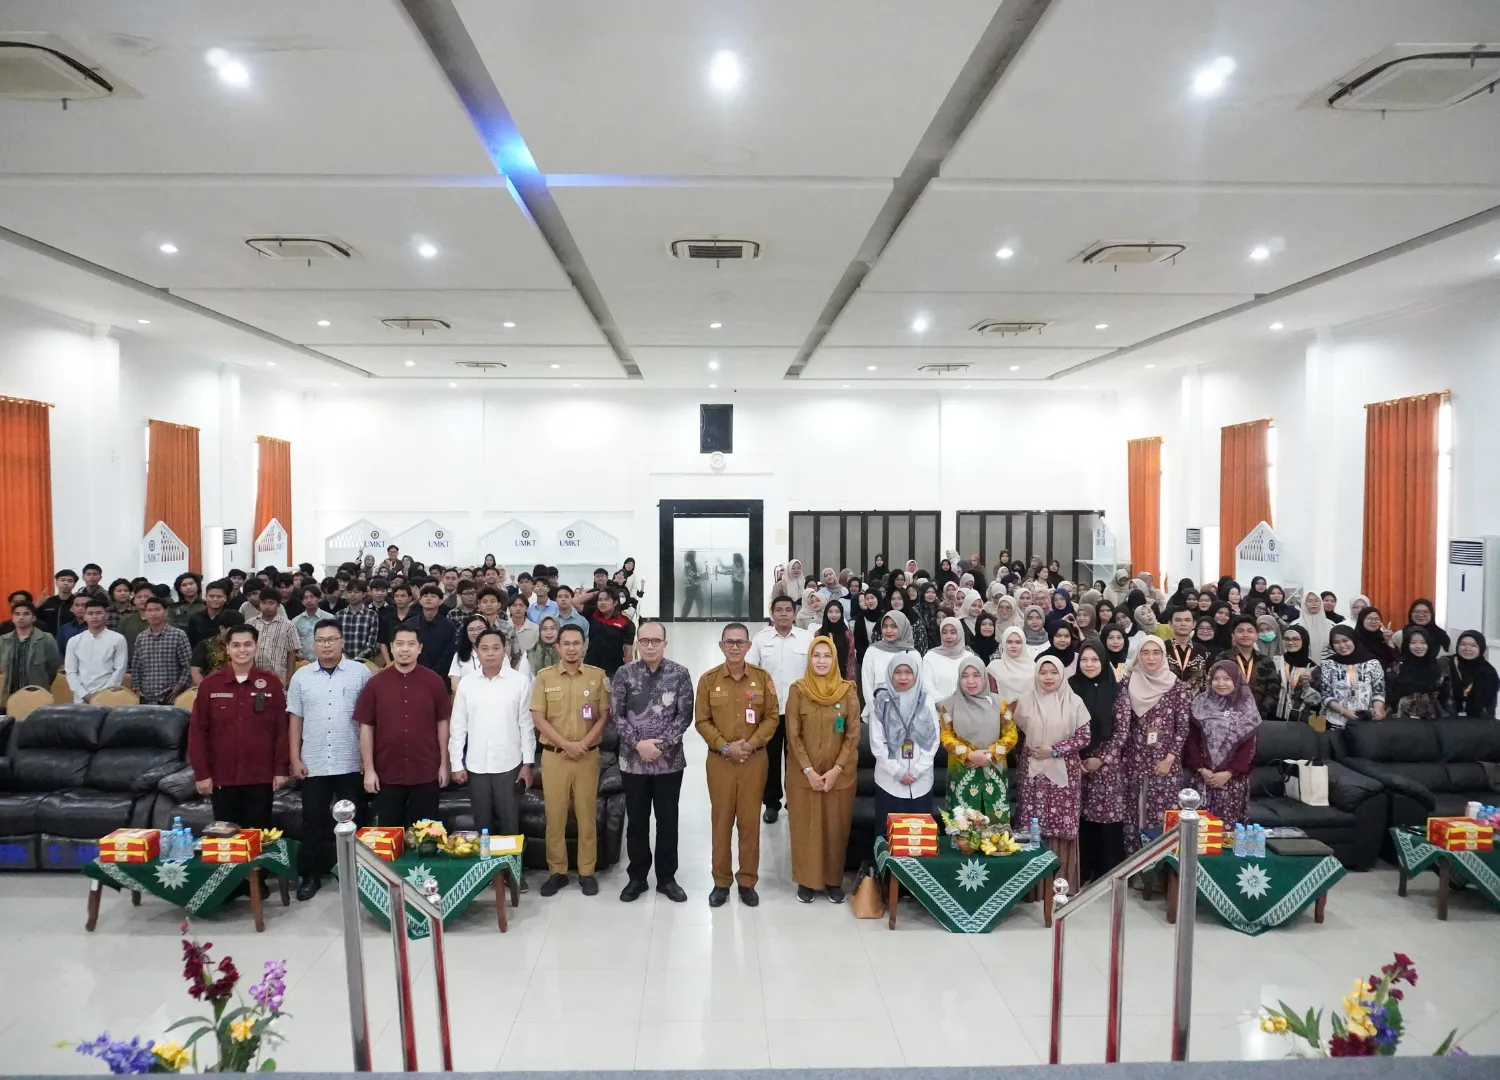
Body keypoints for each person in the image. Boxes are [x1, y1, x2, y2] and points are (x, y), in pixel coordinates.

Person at [286, 620, 372, 900]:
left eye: (331, 639)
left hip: (351, 759)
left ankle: (361, 874)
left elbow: (369, 721)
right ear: (313, 643)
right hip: (314, 760)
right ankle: (311, 875)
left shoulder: (360, 673)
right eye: (320, 640)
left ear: (342, 641)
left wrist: (368, 760)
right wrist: (294, 758)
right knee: (313, 821)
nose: (326, 645)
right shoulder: (301, 677)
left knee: (357, 819)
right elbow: (295, 721)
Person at [695, 622, 778, 907]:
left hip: (754, 761)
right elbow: (702, 721)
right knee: (721, 822)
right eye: (729, 642)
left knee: (749, 822)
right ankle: (721, 881)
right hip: (720, 762)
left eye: (739, 642)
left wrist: (750, 745)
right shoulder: (708, 680)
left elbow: (771, 717)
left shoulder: (762, 678)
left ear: (748, 646)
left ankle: (747, 881)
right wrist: (725, 746)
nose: (734, 646)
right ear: (721, 645)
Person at [611, 621, 694, 903]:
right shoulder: (624, 674)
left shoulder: (679, 674)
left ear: (664, 643)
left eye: (655, 641)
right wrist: (637, 744)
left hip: (668, 763)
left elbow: (684, 716)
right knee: (637, 821)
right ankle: (637, 878)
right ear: (637, 643)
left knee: (668, 821)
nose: (649, 646)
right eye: (644, 641)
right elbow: (617, 715)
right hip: (632, 763)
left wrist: (661, 745)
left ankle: (667, 878)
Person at [529, 625, 611, 897]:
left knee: (587, 815)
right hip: (555, 758)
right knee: (554, 816)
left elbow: (603, 716)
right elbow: (538, 718)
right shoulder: (544, 677)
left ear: (584, 646)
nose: (572, 648)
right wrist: (566, 745)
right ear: (558, 648)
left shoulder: (598, 677)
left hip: (588, 756)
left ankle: (586, 871)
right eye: (567, 644)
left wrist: (583, 744)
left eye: (577, 643)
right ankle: (558, 871)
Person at [449, 628, 535, 884]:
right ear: (476, 652)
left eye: (495, 648)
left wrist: (527, 764)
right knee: (483, 824)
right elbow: (458, 726)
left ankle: (513, 874)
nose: (490, 653)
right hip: (476, 765)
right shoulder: (467, 683)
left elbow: (526, 726)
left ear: (504, 650)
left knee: (510, 823)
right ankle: (485, 874)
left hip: (509, 763)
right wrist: (456, 762)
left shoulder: (519, 682)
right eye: (484, 649)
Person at [187, 625, 289, 829]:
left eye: (247, 644)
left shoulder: (271, 683)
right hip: (223, 776)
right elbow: (198, 732)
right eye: (236, 645)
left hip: (260, 776)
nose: (242, 650)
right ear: (227, 649)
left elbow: (281, 730)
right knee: (227, 841)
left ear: (256, 647)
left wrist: (281, 770)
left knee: (259, 838)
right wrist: (202, 774)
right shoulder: (210, 685)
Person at [782, 636, 860, 904]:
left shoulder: (847, 691)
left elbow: (852, 735)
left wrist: (837, 768)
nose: (822, 661)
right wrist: (809, 771)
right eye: (817, 656)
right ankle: (807, 880)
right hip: (804, 776)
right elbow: (793, 736)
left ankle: (832, 880)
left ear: (835, 659)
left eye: (827, 656)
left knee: (835, 828)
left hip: (839, 775)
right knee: (806, 827)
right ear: (809, 659)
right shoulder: (798, 691)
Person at [356, 625, 451, 829]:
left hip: (426, 770)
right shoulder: (375, 683)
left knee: (427, 836)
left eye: (410, 644)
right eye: (399, 644)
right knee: (390, 835)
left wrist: (444, 764)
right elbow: (366, 727)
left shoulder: (434, 681)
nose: (405, 649)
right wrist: (369, 769)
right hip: (387, 772)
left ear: (420, 648)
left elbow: (443, 723)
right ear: (391, 647)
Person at [1013, 654, 1091, 891]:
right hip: (1032, 774)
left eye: (1054, 672)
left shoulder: (1074, 701)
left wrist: (1054, 750)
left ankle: (1062, 884)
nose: (1048, 677)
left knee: (1060, 827)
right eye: (1043, 672)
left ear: (1062, 674)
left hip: (1063, 774)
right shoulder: (1025, 701)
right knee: (1032, 824)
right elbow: (1015, 736)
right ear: (1036, 674)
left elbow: (1084, 736)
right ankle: (1031, 890)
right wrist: (1030, 753)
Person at [1117, 636, 1193, 853]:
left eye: (1156, 652)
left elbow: (1183, 727)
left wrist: (1170, 759)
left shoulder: (1177, 686)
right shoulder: (1126, 683)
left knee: (1161, 815)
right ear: (1138, 656)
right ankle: (1133, 869)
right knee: (1132, 814)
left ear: (1163, 655)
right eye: (1145, 652)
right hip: (1133, 760)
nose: (1150, 657)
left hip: (1165, 762)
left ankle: (1159, 870)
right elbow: (1121, 724)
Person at [747, 595, 812, 826]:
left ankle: (795, 801)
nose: (784, 613)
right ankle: (772, 803)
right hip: (770, 711)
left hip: (800, 710)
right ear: (772, 613)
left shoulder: (807, 638)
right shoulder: (761, 639)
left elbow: (815, 671)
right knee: (771, 759)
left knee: (796, 758)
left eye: (788, 610)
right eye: (779, 610)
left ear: (794, 614)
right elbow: (751, 672)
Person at [867, 655, 938, 850]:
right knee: (888, 838)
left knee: (919, 840)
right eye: (898, 672)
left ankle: (915, 881)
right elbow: (877, 743)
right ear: (890, 675)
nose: (903, 677)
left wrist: (916, 771)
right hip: (889, 782)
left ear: (916, 676)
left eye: (908, 672)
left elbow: (933, 742)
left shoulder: (926, 702)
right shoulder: (881, 702)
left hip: (921, 782)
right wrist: (898, 772)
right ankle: (886, 879)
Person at [1183, 661, 1262, 829]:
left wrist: (1229, 773)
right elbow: (1191, 741)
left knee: (1229, 831)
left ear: (1236, 680)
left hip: (1232, 781)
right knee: (1199, 830)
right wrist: (1201, 769)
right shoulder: (1200, 704)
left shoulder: (1247, 706)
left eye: (1226, 679)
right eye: (1216, 679)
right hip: (1203, 778)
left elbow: (1249, 747)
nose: (1221, 683)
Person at [1073, 642, 1127, 884]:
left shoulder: (1116, 691)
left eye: (1095, 660)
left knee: (1106, 820)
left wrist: (1101, 759)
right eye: (1084, 660)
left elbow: (1121, 732)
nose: (1089, 664)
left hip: (1107, 766)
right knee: (1080, 818)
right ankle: (1081, 872)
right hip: (1076, 763)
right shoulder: (1071, 689)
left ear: (1104, 661)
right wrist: (1077, 757)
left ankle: (1107, 876)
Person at [939, 653, 1016, 821]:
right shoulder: (948, 704)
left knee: (995, 834)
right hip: (962, 771)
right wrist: (969, 755)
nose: (970, 681)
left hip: (993, 768)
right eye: (965, 676)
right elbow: (946, 735)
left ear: (984, 677)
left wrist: (991, 753)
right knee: (963, 829)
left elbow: (1011, 733)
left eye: (976, 675)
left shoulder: (1000, 703)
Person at [1313, 625, 1386, 729]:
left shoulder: (1373, 663)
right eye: (1336, 642)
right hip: (1334, 722)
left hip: (1365, 722)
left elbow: (1379, 692)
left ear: (1354, 639)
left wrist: (1377, 710)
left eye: (1345, 640)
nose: (1342, 645)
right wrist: (1344, 712)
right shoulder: (1328, 664)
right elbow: (1326, 694)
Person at [1216, 615, 1281, 720]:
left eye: (1250, 631)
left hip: (1259, 717)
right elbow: (1216, 688)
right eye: (1241, 631)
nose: (1245, 634)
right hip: (1227, 717)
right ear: (1233, 635)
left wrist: (1260, 713)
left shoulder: (1266, 661)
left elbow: (1273, 691)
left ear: (1256, 635)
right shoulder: (1223, 659)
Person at [860, 611, 922, 722]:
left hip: (907, 715)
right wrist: (876, 710)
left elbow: (918, 686)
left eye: (894, 626)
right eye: (885, 626)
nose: (888, 631)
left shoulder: (913, 654)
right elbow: (867, 684)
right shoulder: (873, 651)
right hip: (878, 713)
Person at [129, 596, 192, 705]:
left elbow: (187, 665)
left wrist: (180, 686)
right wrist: (137, 689)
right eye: (149, 610)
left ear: (166, 613)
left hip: (171, 695)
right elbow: (136, 667)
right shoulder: (141, 638)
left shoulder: (178, 635)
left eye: (157, 610)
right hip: (146, 696)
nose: (153, 614)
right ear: (145, 614)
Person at [0, 601, 62, 712]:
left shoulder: (46, 639)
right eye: (17, 614)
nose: (21, 617)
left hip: (37, 695)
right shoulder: (3, 640)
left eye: (26, 614)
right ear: (13, 618)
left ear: (33, 618)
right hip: (9, 695)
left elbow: (53, 667)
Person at [64, 596, 128, 702]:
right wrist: (84, 694)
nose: (94, 616)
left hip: (108, 696)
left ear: (106, 615)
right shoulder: (74, 641)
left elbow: (119, 670)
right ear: (84, 617)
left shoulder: (118, 639)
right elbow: (71, 672)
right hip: (81, 698)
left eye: (98, 613)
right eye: (90, 613)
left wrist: (103, 694)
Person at [1387, 626, 1453, 719]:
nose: (1419, 646)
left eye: (1423, 642)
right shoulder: (1397, 668)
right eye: (1413, 642)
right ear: (1406, 644)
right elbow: (1390, 701)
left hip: (1433, 723)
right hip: (1402, 723)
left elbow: (1447, 701)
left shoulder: (1438, 669)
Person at [248, 590, 300, 686]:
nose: (267, 606)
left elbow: (292, 653)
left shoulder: (288, 625)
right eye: (263, 603)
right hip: (252, 675)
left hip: (278, 677)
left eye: (271, 603)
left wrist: (289, 678)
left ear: (278, 605)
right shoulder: (250, 624)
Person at [1271, 626, 1320, 724]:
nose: (1290, 643)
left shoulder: (1312, 668)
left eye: (1296, 639)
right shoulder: (1276, 662)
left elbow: (1316, 702)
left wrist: (1306, 685)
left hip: (1300, 720)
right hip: (1273, 717)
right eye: (1287, 639)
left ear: (1304, 641)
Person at [583, 587, 634, 678]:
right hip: (590, 666)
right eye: (600, 600)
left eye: (606, 599)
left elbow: (628, 650)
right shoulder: (593, 614)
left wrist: (627, 673)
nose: (602, 603)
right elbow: (575, 601)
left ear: (615, 602)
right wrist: (597, 593)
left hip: (613, 669)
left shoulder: (626, 622)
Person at [1451, 631, 1499, 718]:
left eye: (1474, 645)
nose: (1467, 648)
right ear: (1457, 646)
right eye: (1463, 644)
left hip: (1477, 724)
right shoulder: (1446, 664)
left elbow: (1489, 707)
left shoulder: (1489, 673)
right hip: (1445, 723)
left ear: (1481, 648)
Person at [921, 616, 969, 701]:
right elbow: (927, 688)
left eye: (953, 632)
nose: (948, 636)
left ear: (960, 633)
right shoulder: (930, 657)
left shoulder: (969, 657)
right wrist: (946, 707)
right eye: (944, 632)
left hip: (966, 709)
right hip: (939, 710)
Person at [1164, 606, 1208, 696]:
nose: (1183, 624)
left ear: (1194, 624)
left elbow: (1207, 681)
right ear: (1170, 623)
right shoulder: (1161, 648)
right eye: (1178, 620)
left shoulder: (1203, 651)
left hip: (1196, 704)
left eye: (1187, 620)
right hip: (1167, 703)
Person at [335, 580, 381, 663]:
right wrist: (345, 657)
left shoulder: (372, 615)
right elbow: (335, 639)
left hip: (364, 661)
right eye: (349, 592)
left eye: (356, 592)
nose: (352, 595)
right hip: (341, 660)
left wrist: (357, 658)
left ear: (363, 594)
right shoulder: (339, 615)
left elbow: (371, 643)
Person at [291, 586, 333, 661]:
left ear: (319, 598)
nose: (309, 600)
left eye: (312, 597)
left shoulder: (329, 618)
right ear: (301, 601)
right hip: (303, 663)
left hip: (326, 660)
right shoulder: (296, 621)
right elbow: (293, 644)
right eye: (305, 598)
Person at [36, 569, 78, 637]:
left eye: (70, 581)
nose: (65, 583)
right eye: (62, 580)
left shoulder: (77, 603)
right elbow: (35, 619)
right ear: (56, 582)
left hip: (71, 639)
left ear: (74, 584)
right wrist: (37, 606)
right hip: (49, 640)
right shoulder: (48, 602)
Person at [186, 579, 228, 648]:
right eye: (211, 596)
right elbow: (191, 643)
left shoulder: (231, 617)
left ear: (225, 598)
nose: (215, 599)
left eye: (219, 596)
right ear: (205, 597)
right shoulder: (195, 618)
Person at [1296, 591, 1334, 662]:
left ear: (1321, 603)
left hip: (1327, 667)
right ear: (1304, 603)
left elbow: (1334, 649)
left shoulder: (1331, 625)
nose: (1313, 603)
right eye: (1309, 601)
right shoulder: (1296, 626)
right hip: (1302, 667)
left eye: (1317, 601)